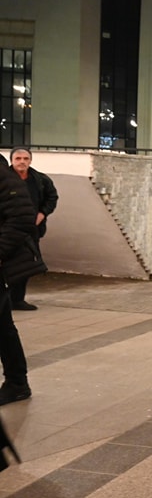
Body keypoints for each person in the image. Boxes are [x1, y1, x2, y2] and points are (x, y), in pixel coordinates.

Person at [0, 154, 39, 405]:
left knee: (3, 328)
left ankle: (17, 383)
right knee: (3, 327)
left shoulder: (3, 176)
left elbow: (23, 217)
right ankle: (17, 383)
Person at [8, 147, 58, 311]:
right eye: (18, 159)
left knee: (26, 265)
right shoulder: (4, 179)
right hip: (7, 230)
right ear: (11, 160)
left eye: (25, 158)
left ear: (30, 160)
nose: (22, 162)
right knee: (7, 264)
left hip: (31, 230)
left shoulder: (40, 180)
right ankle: (6, 300)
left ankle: (17, 300)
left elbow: (52, 197)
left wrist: (42, 214)